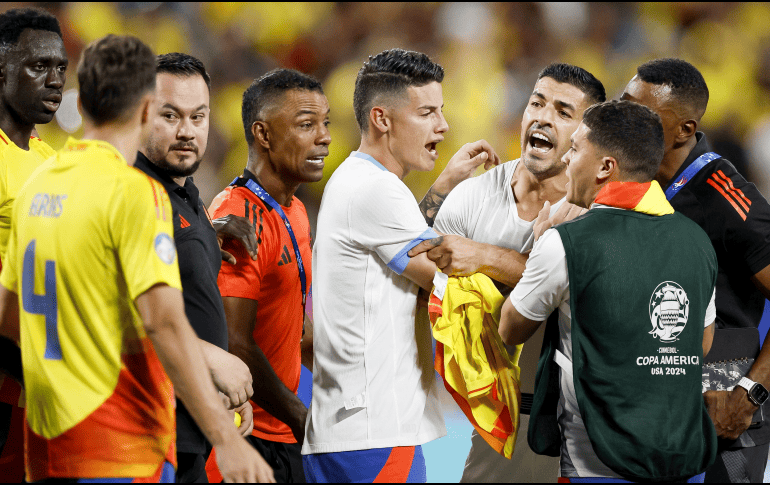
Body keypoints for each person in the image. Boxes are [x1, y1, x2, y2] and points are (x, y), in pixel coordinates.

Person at [0, 34, 274, 483]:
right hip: (120, 444)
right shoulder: (132, 193)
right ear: (147, 109)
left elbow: (9, 316)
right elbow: (163, 322)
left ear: (81, 104)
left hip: (48, 445)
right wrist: (224, 437)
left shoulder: (38, 183)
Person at [302, 48, 499, 483]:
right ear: (382, 119)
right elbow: (450, 280)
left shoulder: (361, 181)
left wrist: (444, 184)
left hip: (358, 431)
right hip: (373, 437)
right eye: (427, 112)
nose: (443, 126)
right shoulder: (375, 190)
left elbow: (403, 251)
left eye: (441, 111)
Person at [499, 99, 718, 481]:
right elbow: (699, 343)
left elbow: (510, 330)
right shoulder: (697, 240)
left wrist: (538, 247)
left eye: (576, 148)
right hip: (683, 459)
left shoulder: (564, 243)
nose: (566, 160)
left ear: (605, 167)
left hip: (595, 463)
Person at [409, 63, 604, 482]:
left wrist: (485, 257)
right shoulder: (473, 197)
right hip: (501, 423)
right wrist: (440, 189)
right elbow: (418, 267)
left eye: (563, 112)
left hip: (584, 425)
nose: (543, 117)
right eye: (537, 103)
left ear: (585, 137)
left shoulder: (599, 208)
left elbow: (587, 293)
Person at [621, 58, 770, 483]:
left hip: (722, 419)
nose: (627, 119)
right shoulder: (632, 183)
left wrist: (750, 394)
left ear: (685, 130)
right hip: (652, 412)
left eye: (644, 113)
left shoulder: (726, 195)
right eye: (624, 103)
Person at [135, 52, 262, 483]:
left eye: (198, 116)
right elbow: (109, 308)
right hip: (147, 435)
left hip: (192, 429)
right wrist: (211, 359)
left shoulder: (187, 195)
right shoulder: (131, 197)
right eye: (170, 116)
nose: (187, 131)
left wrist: (220, 391)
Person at [207, 68, 329, 483]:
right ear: (263, 134)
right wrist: (298, 414)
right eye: (306, 125)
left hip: (281, 432)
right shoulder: (237, 216)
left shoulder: (294, 209)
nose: (324, 137)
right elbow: (233, 341)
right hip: (244, 434)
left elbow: (287, 318)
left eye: (325, 123)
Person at [0, 7, 67, 482]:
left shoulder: (49, 159)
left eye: (60, 67)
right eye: (37, 66)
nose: (54, 80)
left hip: (38, 382)